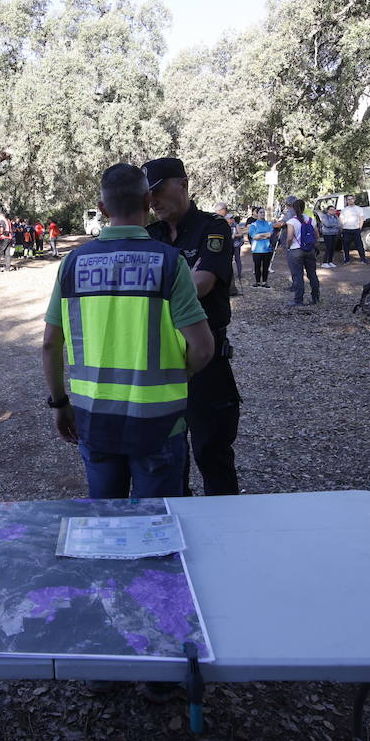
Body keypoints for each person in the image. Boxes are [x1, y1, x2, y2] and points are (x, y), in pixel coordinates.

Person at [43, 163, 214, 499]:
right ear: (148, 200)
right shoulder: (169, 262)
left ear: (103, 208)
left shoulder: (72, 264)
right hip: (159, 423)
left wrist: (60, 403)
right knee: (159, 524)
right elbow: (204, 348)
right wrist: (180, 373)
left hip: (95, 420)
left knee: (107, 520)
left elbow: (50, 343)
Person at [143, 157, 242, 496]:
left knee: (211, 451)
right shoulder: (148, 234)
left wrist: (155, 285)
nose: (152, 200)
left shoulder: (212, 227)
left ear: (183, 184)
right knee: (169, 457)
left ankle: (225, 527)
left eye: (157, 191)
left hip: (206, 357)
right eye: (146, 194)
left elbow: (202, 284)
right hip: (162, 360)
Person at [274, 199, 320, 307]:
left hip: (295, 250)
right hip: (310, 250)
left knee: (298, 275)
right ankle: (316, 297)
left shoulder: (292, 221)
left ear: (293, 208)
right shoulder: (310, 220)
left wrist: (288, 247)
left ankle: (298, 300)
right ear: (304, 208)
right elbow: (317, 234)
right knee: (312, 274)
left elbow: (289, 237)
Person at [247, 209, 274, 287]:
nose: (262, 214)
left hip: (267, 249)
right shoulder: (253, 225)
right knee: (257, 266)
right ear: (257, 214)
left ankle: (265, 282)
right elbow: (254, 236)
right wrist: (264, 235)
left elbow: (270, 234)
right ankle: (257, 282)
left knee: (266, 266)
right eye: (261, 212)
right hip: (256, 249)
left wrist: (260, 234)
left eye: (263, 212)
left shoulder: (269, 224)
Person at [340, 194, 367, 263]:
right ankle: (346, 260)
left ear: (354, 200)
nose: (350, 200)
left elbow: (361, 219)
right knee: (346, 246)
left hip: (356, 230)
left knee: (359, 245)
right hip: (346, 230)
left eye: (351, 199)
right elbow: (341, 219)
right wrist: (343, 226)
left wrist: (359, 228)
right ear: (347, 201)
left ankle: (363, 259)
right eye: (348, 199)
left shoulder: (359, 209)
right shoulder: (344, 210)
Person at [317, 204, 341, 269]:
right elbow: (327, 224)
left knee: (333, 248)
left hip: (335, 233)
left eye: (334, 210)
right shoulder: (324, 216)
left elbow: (339, 224)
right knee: (328, 247)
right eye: (331, 210)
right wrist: (334, 224)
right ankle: (324, 262)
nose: (333, 211)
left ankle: (330, 261)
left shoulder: (336, 217)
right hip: (327, 234)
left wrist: (334, 225)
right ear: (327, 211)